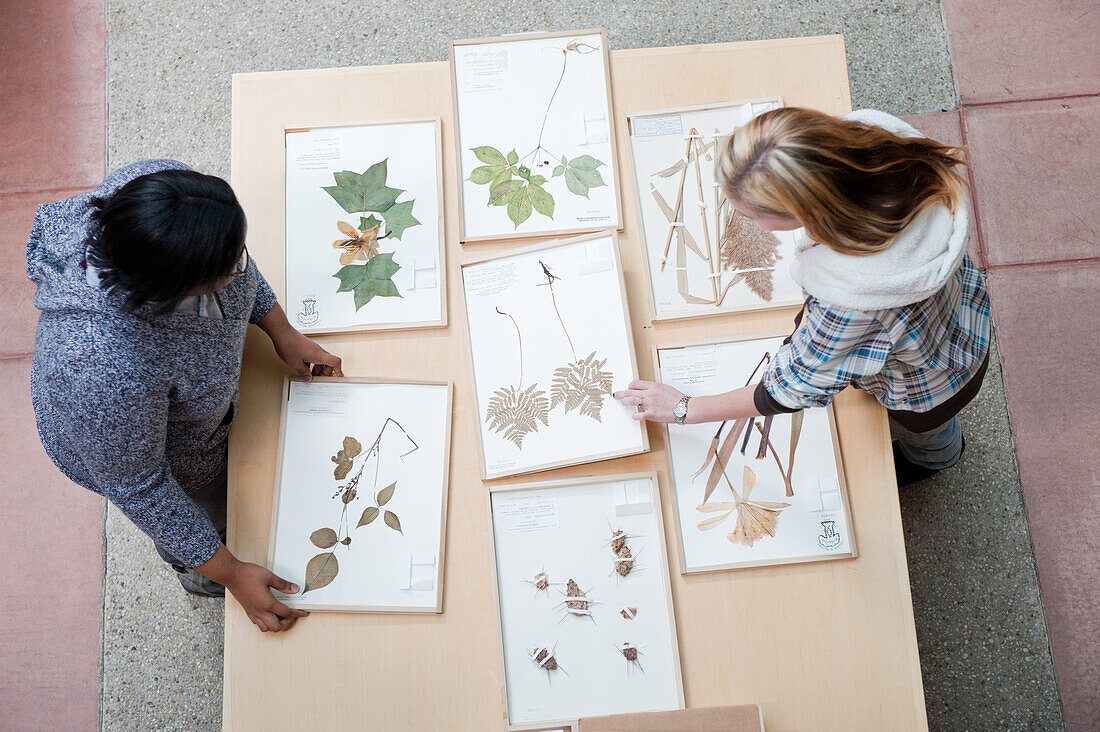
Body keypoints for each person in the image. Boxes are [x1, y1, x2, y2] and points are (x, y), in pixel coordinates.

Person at [27, 160, 343, 633]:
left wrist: (281, 330)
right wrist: (232, 573)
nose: (243, 265)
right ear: (171, 290)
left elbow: (239, 265)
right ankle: (202, 579)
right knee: (207, 519)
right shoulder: (99, 368)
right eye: (228, 266)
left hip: (190, 407)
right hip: (168, 460)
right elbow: (143, 488)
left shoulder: (167, 196)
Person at [616, 108, 990, 486]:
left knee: (929, 434)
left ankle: (938, 459)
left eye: (752, 215)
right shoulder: (877, 151)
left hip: (930, 387)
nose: (747, 222)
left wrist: (685, 408)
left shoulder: (853, 299)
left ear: (803, 209)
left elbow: (788, 390)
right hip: (964, 317)